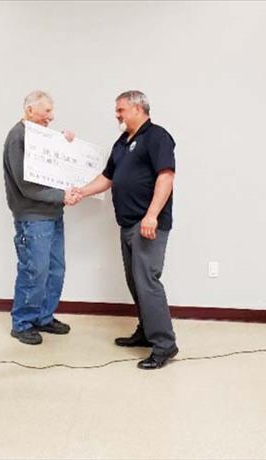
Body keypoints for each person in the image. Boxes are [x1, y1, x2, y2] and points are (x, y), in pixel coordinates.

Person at [76, 90, 178, 369]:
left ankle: (164, 345)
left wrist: (152, 215)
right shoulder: (122, 142)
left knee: (148, 282)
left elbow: (166, 176)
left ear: (138, 108)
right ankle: (146, 332)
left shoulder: (157, 137)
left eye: (121, 109)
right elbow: (107, 178)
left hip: (148, 224)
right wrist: (81, 192)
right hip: (127, 224)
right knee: (136, 283)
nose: (117, 115)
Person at [3, 90, 78, 345]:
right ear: (29, 110)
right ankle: (22, 323)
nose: (51, 117)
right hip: (32, 216)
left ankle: (44, 317)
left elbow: (57, 167)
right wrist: (61, 196)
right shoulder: (18, 137)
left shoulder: (43, 137)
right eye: (47, 111)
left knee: (55, 269)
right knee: (35, 270)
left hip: (53, 214)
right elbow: (26, 185)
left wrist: (67, 145)